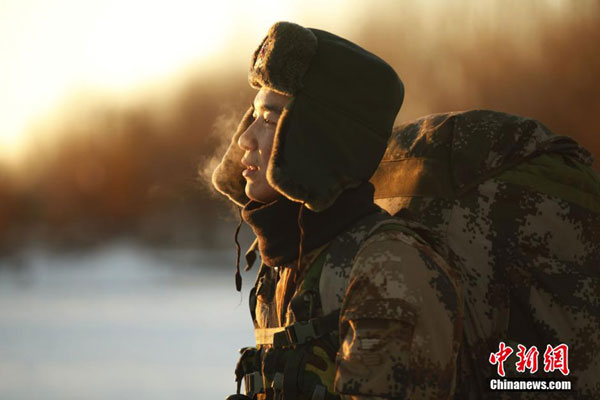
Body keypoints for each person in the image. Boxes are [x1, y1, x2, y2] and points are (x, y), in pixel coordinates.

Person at [212, 22, 461, 399]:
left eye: (269, 119)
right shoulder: (287, 263)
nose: (246, 138)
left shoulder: (386, 268)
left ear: (317, 138)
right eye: (253, 117)